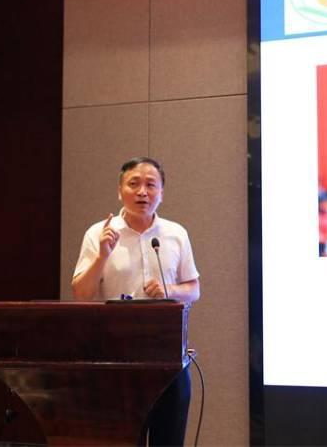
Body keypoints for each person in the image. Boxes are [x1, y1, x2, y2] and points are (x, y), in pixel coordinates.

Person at [72, 156, 200, 446]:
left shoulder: (176, 234)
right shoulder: (99, 233)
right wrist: (103, 255)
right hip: (116, 361)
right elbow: (81, 294)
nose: (143, 192)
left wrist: (169, 290)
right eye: (134, 184)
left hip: (169, 359)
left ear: (161, 193)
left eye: (151, 185)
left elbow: (194, 289)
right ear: (120, 191)